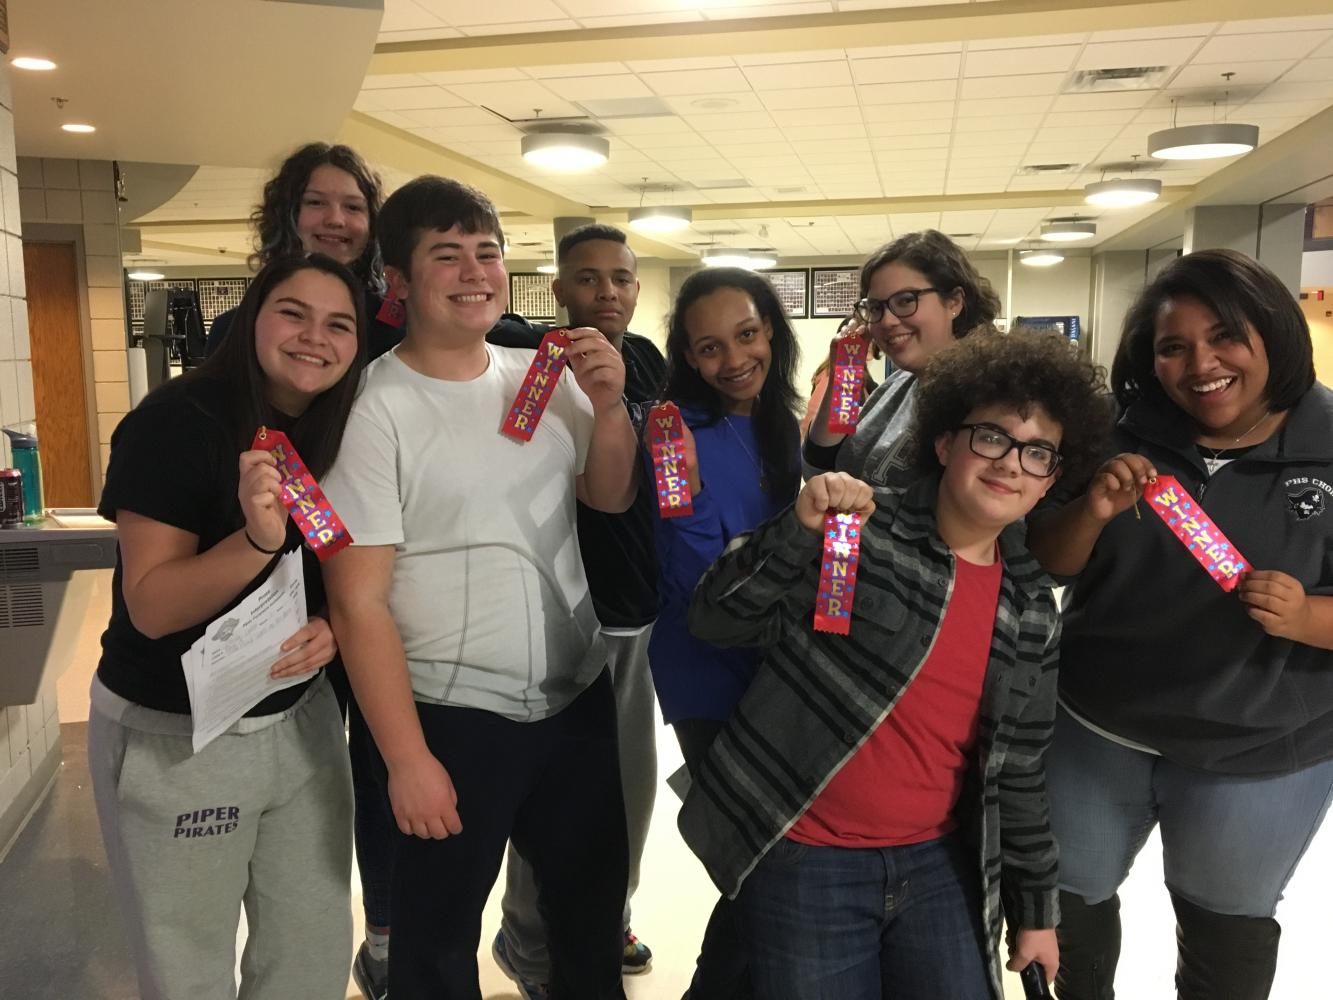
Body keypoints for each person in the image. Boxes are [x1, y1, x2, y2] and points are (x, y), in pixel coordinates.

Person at [680, 331, 1113, 1000]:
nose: (1010, 465)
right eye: (991, 438)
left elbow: (1017, 773)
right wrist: (797, 529)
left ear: (1051, 478)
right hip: (805, 850)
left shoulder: (1030, 608)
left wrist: (1034, 913)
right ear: (945, 444)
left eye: (1037, 453)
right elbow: (716, 618)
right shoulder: (860, 532)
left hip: (936, 862)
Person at [321, 176, 638, 1000]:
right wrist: (405, 758)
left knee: (588, 932)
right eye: (445, 255)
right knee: (434, 952)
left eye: (486, 253)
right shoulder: (374, 406)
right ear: (397, 277)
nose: (473, 272)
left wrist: (608, 410)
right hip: (449, 716)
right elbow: (357, 602)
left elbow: (607, 497)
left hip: (573, 703)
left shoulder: (543, 374)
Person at [1026, 249, 1333, 1000]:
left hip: (1261, 747)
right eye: (1173, 347)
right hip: (1098, 727)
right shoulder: (1116, 434)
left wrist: (1306, 616)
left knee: (1224, 929)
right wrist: (1091, 509)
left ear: (1272, 334)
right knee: (1065, 904)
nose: (1201, 364)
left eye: (1224, 336)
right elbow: (1049, 563)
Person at [87, 254, 368, 1000]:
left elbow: (338, 570)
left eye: (338, 324)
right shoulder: (176, 422)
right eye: (292, 314)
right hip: (175, 735)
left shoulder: (339, 425)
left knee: (309, 955)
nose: (315, 338)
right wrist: (254, 541)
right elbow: (151, 604)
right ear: (251, 319)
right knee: (187, 970)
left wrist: (331, 628)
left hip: (298, 721)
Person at [492, 223, 664, 998]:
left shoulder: (648, 363)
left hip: (634, 607)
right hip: (559, 610)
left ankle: (606, 915)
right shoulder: (526, 361)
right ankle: (530, 948)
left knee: (627, 795)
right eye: (587, 279)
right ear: (558, 289)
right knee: (555, 805)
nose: (607, 293)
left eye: (621, 279)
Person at [649, 266, 803, 999]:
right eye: (709, 348)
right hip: (707, 667)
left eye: (746, 335)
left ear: (770, 329)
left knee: (777, 861)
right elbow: (691, 572)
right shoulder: (675, 428)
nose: (734, 359)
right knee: (757, 864)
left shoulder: (781, 423)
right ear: (686, 354)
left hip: (781, 662)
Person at [804, 229, 1000, 486]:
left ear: (954, 302)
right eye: (876, 307)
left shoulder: (989, 397)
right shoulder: (897, 386)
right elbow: (821, 472)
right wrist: (846, 372)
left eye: (906, 300)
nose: (887, 320)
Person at [204, 142, 400, 361]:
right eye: (315, 202)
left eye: (353, 207)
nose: (335, 219)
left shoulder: (403, 330)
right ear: (287, 214)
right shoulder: (234, 329)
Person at [798, 317, 881, 438]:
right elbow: (813, 423)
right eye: (854, 336)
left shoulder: (863, 376)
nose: (866, 344)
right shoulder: (841, 375)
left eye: (868, 337)